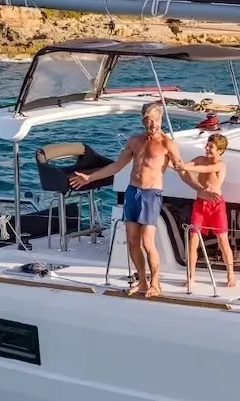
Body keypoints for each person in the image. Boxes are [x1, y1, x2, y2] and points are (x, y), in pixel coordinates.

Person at [69, 102, 217, 297]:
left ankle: (156, 283)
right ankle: (142, 282)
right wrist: (90, 177)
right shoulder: (135, 141)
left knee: (148, 243)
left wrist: (199, 189)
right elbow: (116, 166)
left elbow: (182, 171)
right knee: (132, 240)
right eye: (148, 120)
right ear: (143, 121)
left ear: (161, 120)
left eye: (155, 120)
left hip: (151, 194)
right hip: (133, 193)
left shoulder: (167, 144)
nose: (152, 124)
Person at [175, 134, 236, 288]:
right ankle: (191, 276)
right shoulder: (200, 159)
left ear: (220, 151)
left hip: (216, 206)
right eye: (207, 145)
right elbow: (188, 166)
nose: (207, 149)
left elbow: (205, 169)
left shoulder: (220, 165)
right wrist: (179, 165)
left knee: (223, 242)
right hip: (200, 204)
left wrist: (185, 167)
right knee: (193, 240)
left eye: (211, 147)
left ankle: (231, 274)